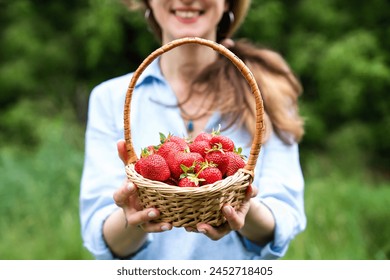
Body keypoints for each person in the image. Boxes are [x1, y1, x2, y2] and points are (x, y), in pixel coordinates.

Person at [80, 0, 306, 260]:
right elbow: (100, 237)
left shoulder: (267, 90)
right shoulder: (110, 98)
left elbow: (284, 220)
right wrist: (135, 215)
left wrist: (241, 207)